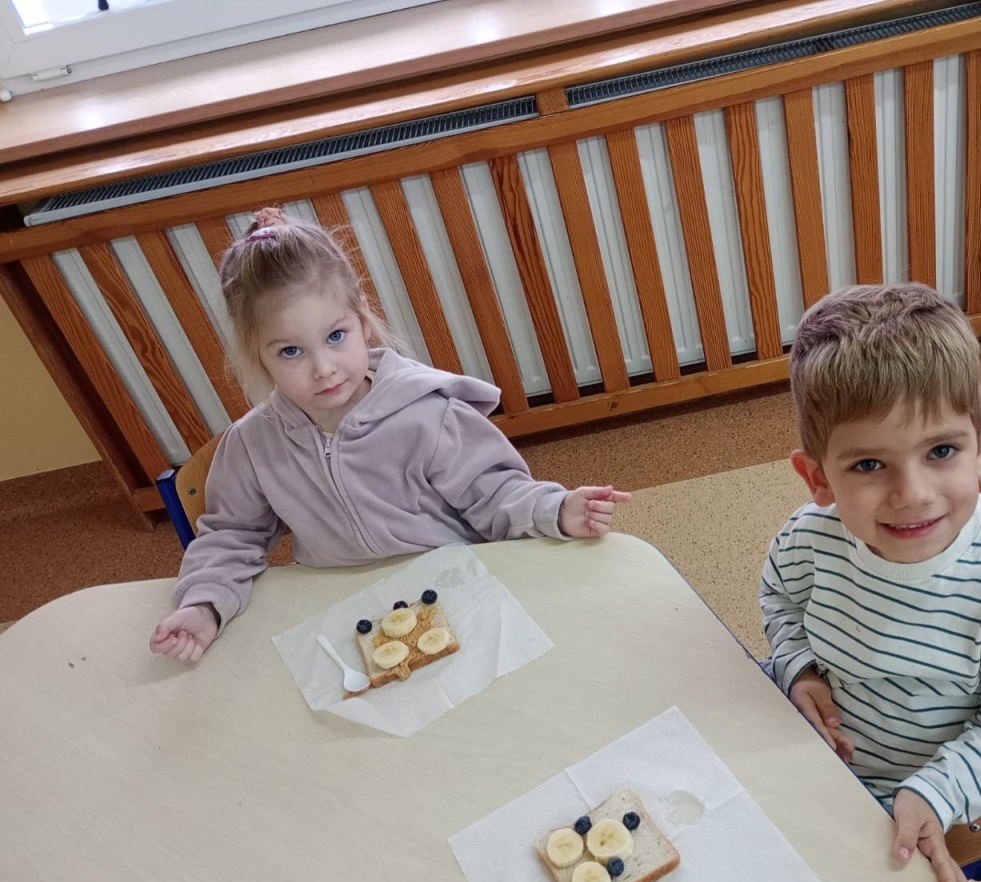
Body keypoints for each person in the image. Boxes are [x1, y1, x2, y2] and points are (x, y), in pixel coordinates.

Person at [151, 208, 629, 663]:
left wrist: (555, 509)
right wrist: (204, 604)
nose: (323, 368)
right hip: (345, 612)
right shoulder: (253, 445)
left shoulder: (429, 414)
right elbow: (232, 536)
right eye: (291, 351)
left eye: (335, 336)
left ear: (362, 321)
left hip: (453, 596)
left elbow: (496, 495)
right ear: (256, 355)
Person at [760, 284, 981, 882]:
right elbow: (781, 597)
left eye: (941, 451)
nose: (912, 494)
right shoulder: (811, 535)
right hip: (794, 740)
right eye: (869, 465)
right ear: (818, 478)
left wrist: (936, 791)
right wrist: (799, 669)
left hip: (907, 796)